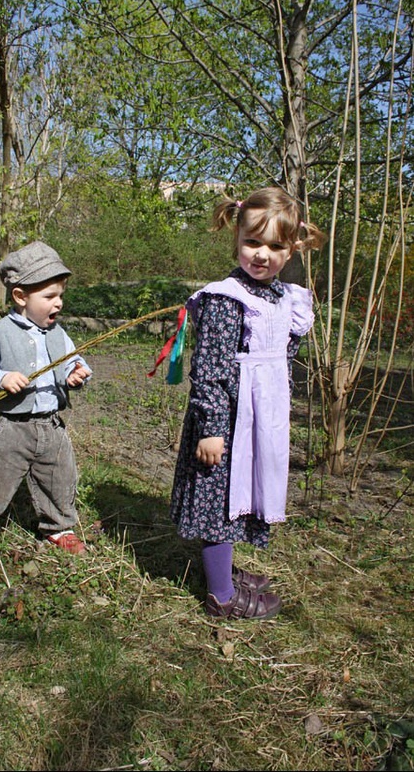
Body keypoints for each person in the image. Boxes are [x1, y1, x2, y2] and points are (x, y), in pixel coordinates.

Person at [170, 187, 325, 620]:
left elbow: (280, 358)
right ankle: (221, 595)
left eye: (275, 246)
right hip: (228, 422)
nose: (262, 255)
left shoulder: (284, 298)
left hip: (261, 420)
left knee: (244, 495)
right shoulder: (226, 299)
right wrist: (213, 428)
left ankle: (225, 570)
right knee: (221, 500)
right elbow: (211, 369)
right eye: (252, 243)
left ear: (292, 248)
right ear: (236, 238)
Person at [0, 241, 92, 568]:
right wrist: (2, 378)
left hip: (51, 425)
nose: (59, 303)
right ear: (20, 296)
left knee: (61, 476)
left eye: (60, 295)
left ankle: (58, 528)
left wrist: (76, 372)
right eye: (49, 296)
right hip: (12, 428)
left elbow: (73, 360)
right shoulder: (0, 333)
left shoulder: (58, 333)